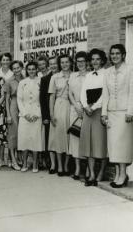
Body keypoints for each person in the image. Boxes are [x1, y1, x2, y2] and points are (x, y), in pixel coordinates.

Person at [102, 44, 133, 188]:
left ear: (123, 55)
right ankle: (118, 173)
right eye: (112, 53)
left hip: (124, 113)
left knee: (122, 145)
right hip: (111, 113)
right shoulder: (108, 72)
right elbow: (105, 94)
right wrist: (104, 113)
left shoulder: (131, 69)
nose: (115, 56)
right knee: (113, 146)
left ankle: (123, 174)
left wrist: (131, 111)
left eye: (118, 53)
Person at [80, 49, 108, 186]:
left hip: (99, 110)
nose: (95, 62)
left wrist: (94, 107)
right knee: (88, 144)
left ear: (102, 60)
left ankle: (101, 173)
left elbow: (105, 95)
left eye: (97, 59)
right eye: (92, 59)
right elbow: (82, 93)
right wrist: (86, 107)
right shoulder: (88, 75)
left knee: (100, 143)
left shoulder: (107, 74)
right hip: (88, 111)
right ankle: (91, 174)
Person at [48, 54, 72, 176]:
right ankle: (60, 166)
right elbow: (51, 96)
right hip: (59, 105)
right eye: (62, 62)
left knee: (68, 137)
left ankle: (67, 166)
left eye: (67, 62)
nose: (64, 64)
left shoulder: (75, 76)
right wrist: (51, 113)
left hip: (71, 107)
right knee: (57, 137)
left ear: (70, 63)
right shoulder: (55, 77)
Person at [17, 62, 43, 172]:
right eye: (29, 69)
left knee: (35, 139)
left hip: (37, 114)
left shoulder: (41, 81)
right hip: (25, 115)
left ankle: (35, 164)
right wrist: (25, 114)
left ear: (36, 69)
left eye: (33, 69)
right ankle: (24, 163)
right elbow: (19, 99)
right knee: (24, 139)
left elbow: (43, 100)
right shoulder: (23, 82)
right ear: (26, 70)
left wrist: (37, 114)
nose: (31, 71)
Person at [68, 52, 88, 180]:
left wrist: (83, 107)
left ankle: (86, 170)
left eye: (83, 61)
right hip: (74, 108)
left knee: (85, 139)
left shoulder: (91, 75)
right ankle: (77, 169)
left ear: (87, 62)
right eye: (78, 61)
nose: (80, 63)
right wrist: (76, 105)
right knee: (75, 138)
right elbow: (70, 92)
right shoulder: (73, 75)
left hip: (87, 109)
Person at [40, 56, 58, 171]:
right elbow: (43, 100)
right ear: (48, 65)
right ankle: (52, 163)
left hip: (62, 110)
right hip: (49, 113)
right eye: (51, 64)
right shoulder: (45, 79)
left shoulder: (66, 76)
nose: (53, 65)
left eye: (55, 63)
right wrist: (45, 116)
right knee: (50, 139)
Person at [5, 60, 24, 171]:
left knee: (21, 133)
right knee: (13, 134)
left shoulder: (25, 78)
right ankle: (13, 160)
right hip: (13, 105)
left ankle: (19, 157)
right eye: (14, 68)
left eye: (18, 68)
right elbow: (7, 99)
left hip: (24, 106)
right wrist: (8, 114)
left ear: (21, 68)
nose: (17, 70)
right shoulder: (9, 81)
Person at [0, 53, 13, 166]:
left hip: (11, 104)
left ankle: (11, 158)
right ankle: (1, 158)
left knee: (11, 131)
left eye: (7, 60)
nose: (6, 61)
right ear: (0, 61)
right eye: (4, 60)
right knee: (1, 132)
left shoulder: (13, 73)